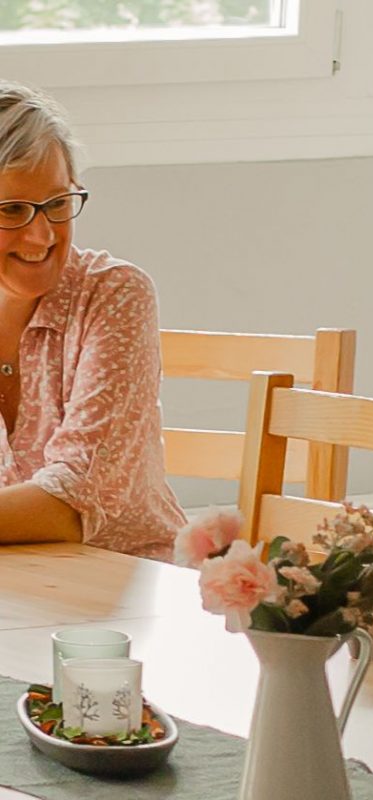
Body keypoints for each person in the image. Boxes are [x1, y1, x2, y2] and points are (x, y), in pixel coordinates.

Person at [0, 81, 184, 560]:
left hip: (130, 594)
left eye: (58, 203)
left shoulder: (116, 295)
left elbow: (71, 500)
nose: (41, 235)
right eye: (13, 210)